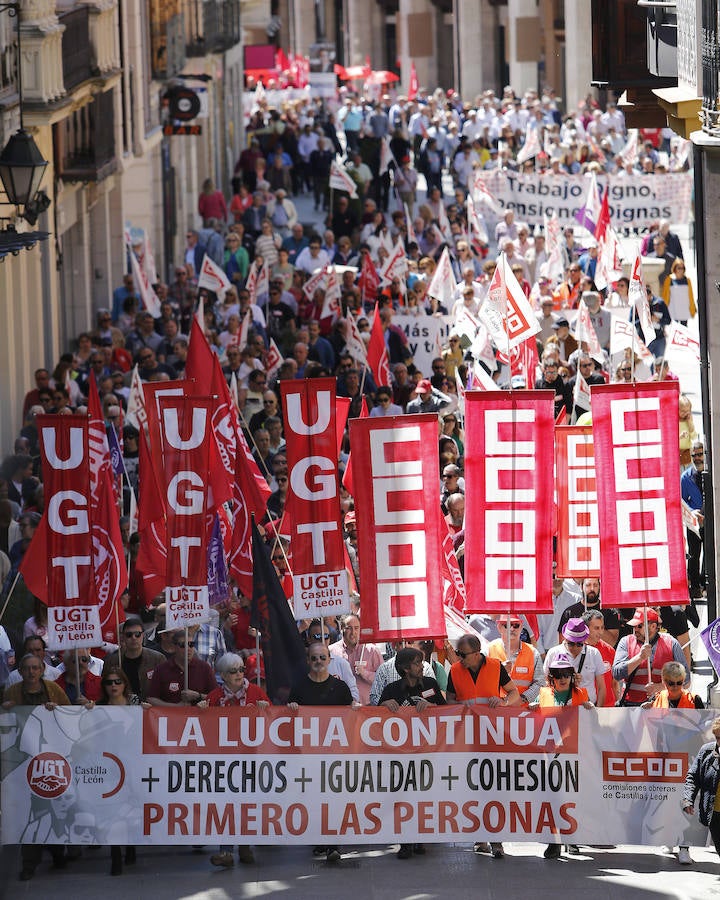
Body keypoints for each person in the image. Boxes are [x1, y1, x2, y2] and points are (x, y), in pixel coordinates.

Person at [446, 633, 520, 859]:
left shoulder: (496, 667)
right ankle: (480, 837)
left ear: (477, 653)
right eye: (457, 653)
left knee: (494, 788)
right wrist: (459, 706)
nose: (458, 658)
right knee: (474, 788)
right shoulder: (455, 671)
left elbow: (514, 693)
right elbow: (448, 701)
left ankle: (496, 840)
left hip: (493, 737)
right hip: (468, 739)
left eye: (462, 654)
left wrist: (503, 701)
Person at [5, 653, 71, 880]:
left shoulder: (53, 689)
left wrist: (58, 710)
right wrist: (5, 710)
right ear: (20, 672)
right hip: (24, 763)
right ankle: (29, 864)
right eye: (27, 669)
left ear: (42, 669)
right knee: (28, 813)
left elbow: (72, 716)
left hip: (54, 759)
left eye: (35, 668)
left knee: (52, 807)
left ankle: (57, 852)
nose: (31, 672)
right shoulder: (13, 692)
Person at [379, 647, 446, 860]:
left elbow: (447, 712)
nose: (422, 666)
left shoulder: (431, 685)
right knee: (402, 796)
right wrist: (382, 705)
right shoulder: (391, 689)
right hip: (400, 754)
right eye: (417, 663)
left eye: (422, 662)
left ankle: (420, 837)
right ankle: (405, 842)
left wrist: (433, 705)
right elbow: (373, 717)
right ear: (405, 668)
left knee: (423, 795)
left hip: (427, 752)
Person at [288, 641, 352, 864]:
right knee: (314, 798)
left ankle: (333, 844)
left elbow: (352, 719)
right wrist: (292, 710)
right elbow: (286, 721)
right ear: (308, 661)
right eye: (314, 658)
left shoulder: (341, 688)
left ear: (329, 660)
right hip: (309, 756)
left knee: (334, 798)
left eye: (322, 658)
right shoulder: (298, 687)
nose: (318, 662)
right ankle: (319, 838)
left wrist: (355, 710)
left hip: (335, 755)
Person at [208, 653, 270, 869]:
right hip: (223, 760)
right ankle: (226, 850)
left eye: (242, 669)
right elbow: (200, 725)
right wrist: (201, 711)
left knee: (246, 803)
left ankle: (244, 845)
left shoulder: (256, 692)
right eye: (233, 671)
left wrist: (266, 710)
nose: (239, 674)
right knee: (226, 805)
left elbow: (274, 720)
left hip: (251, 757)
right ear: (223, 675)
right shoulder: (214, 697)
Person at [612, 607, 688, 706]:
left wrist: (661, 687)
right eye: (633, 626)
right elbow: (617, 673)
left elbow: (686, 679)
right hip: (632, 706)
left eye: (639, 626)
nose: (635, 630)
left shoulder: (672, 643)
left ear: (653, 626)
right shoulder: (625, 642)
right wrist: (640, 657)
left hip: (663, 705)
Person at [544, 618, 606, 707]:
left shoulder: (594, 653)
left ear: (585, 640)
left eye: (580, 644)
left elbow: (601, 687)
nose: (575, 647)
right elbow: (546, 681)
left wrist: (597, 711)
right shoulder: (553, 652)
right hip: (560, 709)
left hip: (588, 708)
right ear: (565, 638)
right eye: (571, 644)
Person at [683, 717, 720, 863]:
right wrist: (688, 799)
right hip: (714, 815)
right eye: (718, 738)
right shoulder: (706, 752)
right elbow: (693, 776)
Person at [146, 630, 217, 706]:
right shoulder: (162, 669)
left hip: (199, 716)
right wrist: (176, 707)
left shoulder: (204, 668)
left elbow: (217, 697)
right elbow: (151, 699)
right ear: (174, 647)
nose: (188, 648)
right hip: (171, 716)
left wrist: (198, 696)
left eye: (191, 644)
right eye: (183, 645)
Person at [102, 617, 165, 701]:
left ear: (143, 635)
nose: (134, 638)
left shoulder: (158, 659)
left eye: (137, 634)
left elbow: (165, 687)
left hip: (150, 708)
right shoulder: (111, 661)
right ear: (123, 637)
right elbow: (104, 689)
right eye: (129, 635)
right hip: (121, 708)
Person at [486, 615, 544, 705]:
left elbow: (540, 683)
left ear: (521, 627)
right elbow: (480, 678)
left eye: (515, 625)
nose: (512, 629)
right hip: (495, 708)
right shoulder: (488, 649)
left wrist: (522, 699)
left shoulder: (533, 652)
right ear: (499, 627)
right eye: (507, 625)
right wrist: (498, 671)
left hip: (522, 711)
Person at [329, 614, 384, 706]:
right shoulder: (331, 651)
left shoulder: (371, 650)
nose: (353, 632)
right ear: (342, 628)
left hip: (367, 706)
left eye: (356, 628)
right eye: (349, 628)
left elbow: (383, 679)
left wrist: (365, 673)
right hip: (341, 707)